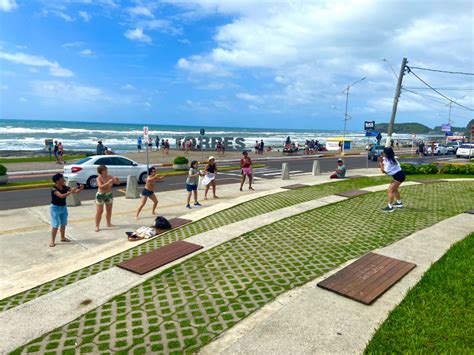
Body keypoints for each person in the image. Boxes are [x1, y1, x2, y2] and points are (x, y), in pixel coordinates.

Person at [49, 173, 84, 247]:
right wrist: (70, 192)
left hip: (63, 207)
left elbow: (76, 192)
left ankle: (62, 237)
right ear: (58, 180)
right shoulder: (54, 189)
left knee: (63, 223)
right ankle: (52, 241)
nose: (64, 179)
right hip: (55, 208)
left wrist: (80, 188)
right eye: (62, 178)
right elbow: (61, 196)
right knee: (55, 225)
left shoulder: (65, 187)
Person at [378, 147, 405, 212]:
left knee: (390, 190)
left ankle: (390, 207)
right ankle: (399, 203)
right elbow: (384, 158)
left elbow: (384, 171)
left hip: (399, 176)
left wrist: (380, 163)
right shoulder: (391, 158)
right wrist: (382, 158)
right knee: (394, 189)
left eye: (383, 152)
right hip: (399, 175)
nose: (382, 153)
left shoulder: (389, 162)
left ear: (387, 154)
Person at [95, 165, 120, 232]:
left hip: (108, 194)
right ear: (101, 171)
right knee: (99, 211)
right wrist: (108, 183)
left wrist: (117, 180)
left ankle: (108, 223)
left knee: (109, 210)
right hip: (100, 195)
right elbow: (100, 186)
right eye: (105, 170)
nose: (106, 171)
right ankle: (97, 226)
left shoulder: (109, 176)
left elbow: (117, 183)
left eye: (106, 169)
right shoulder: (98, 178)